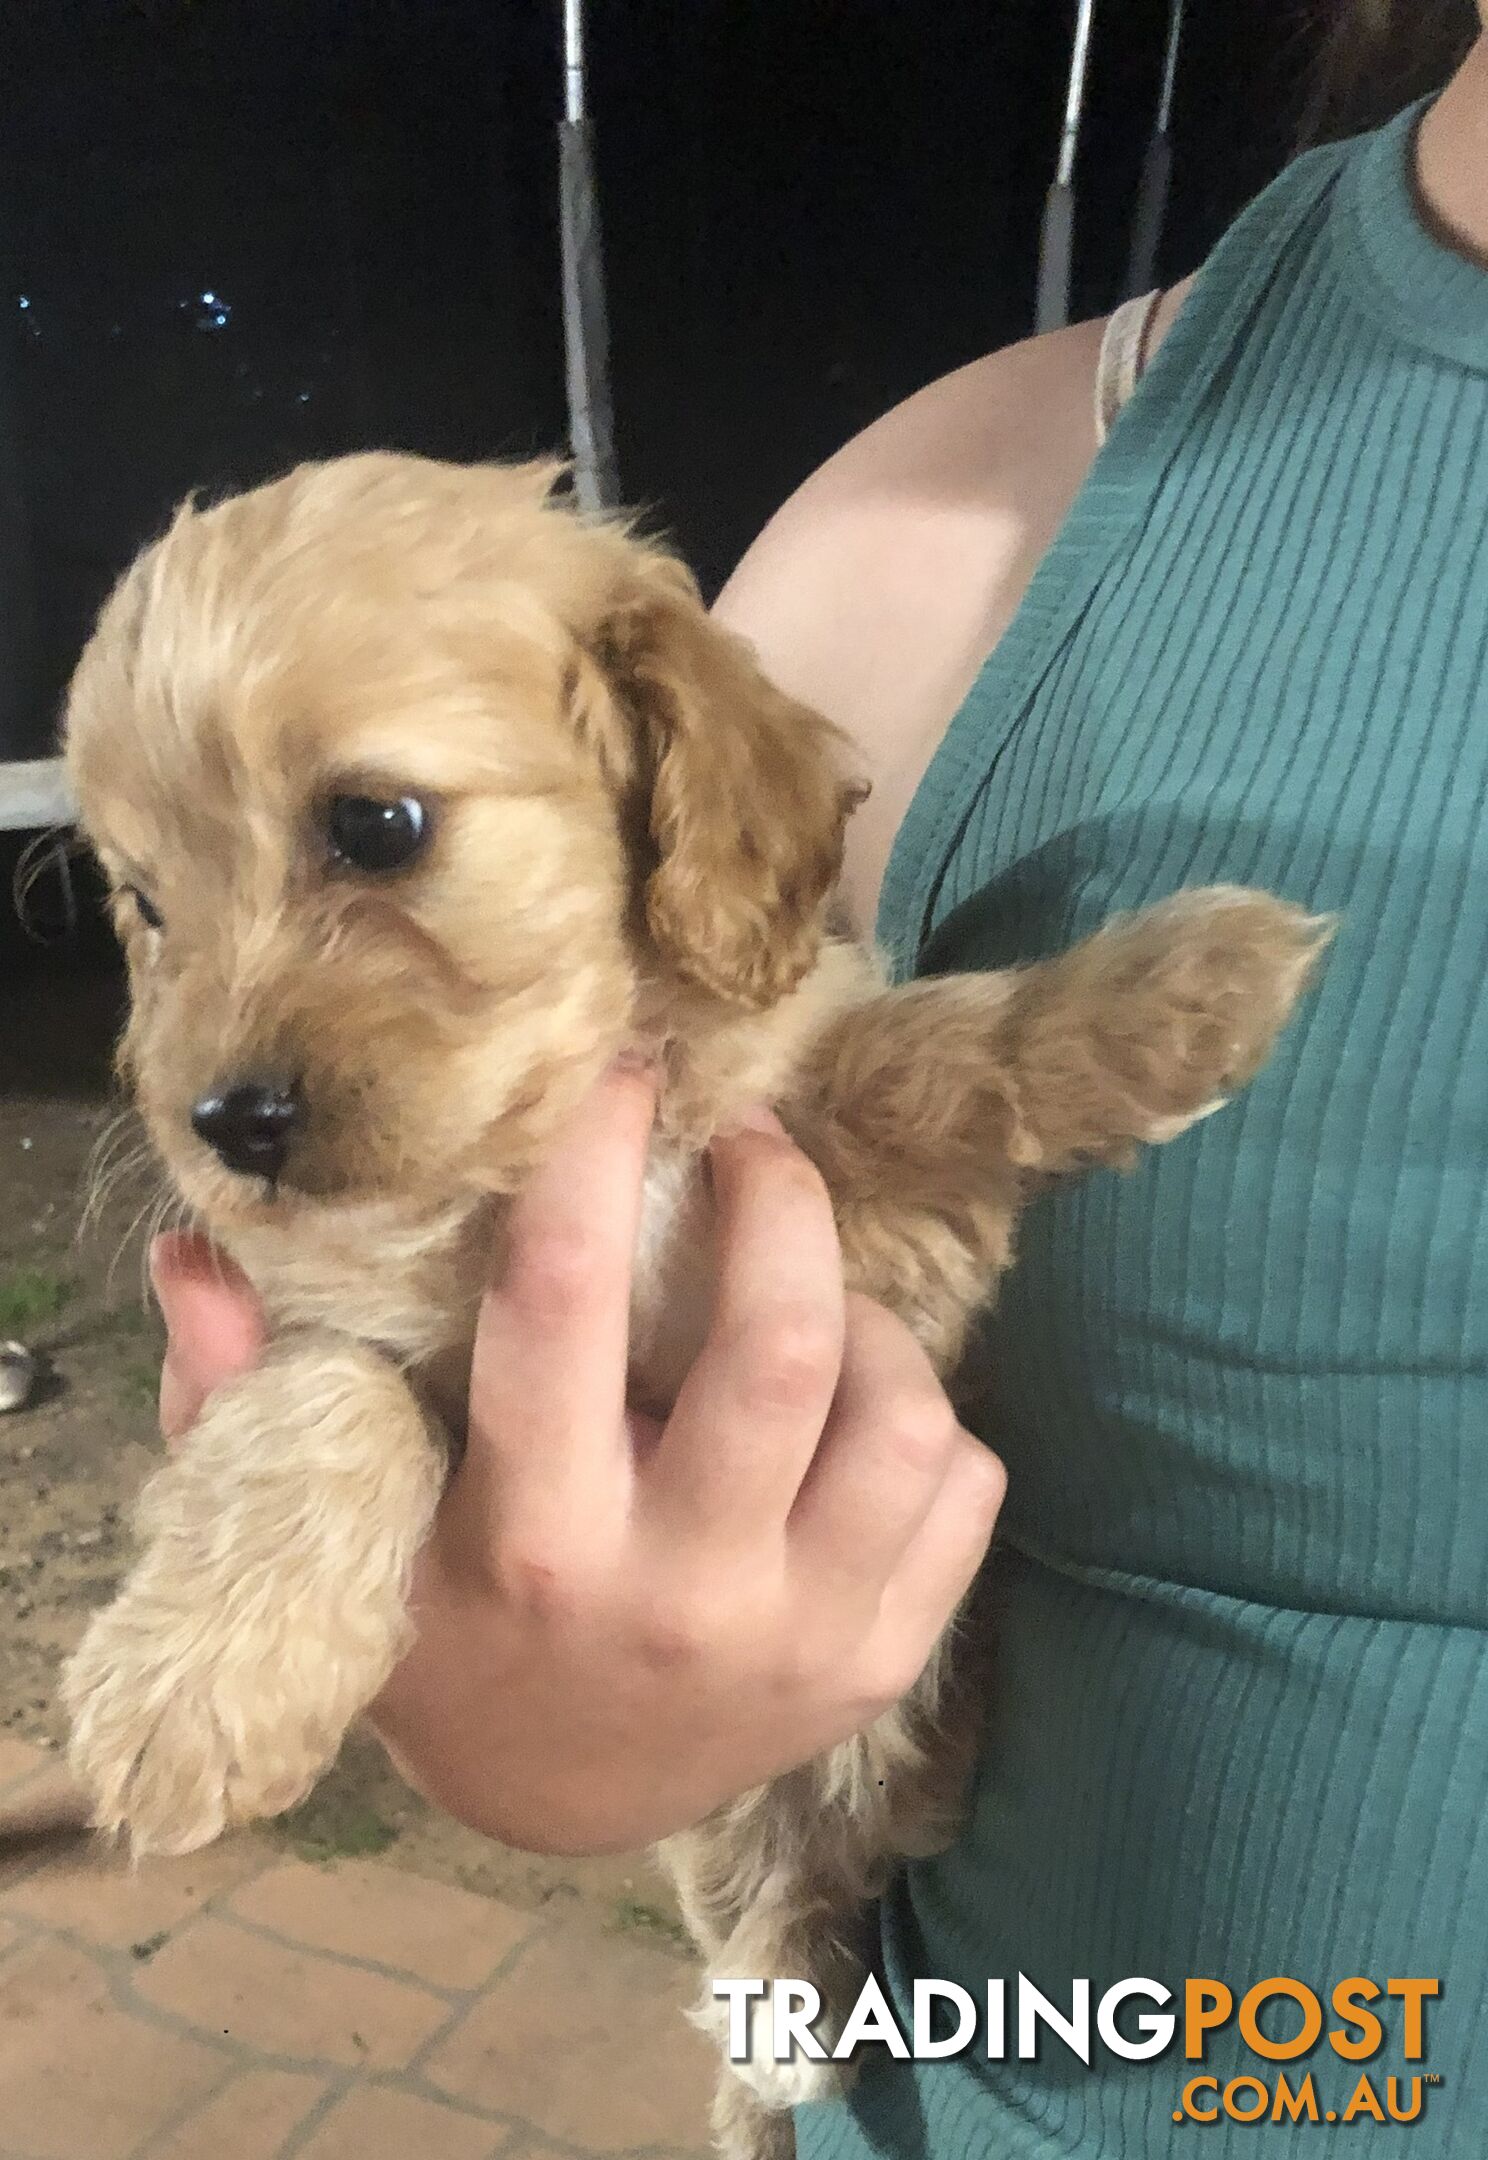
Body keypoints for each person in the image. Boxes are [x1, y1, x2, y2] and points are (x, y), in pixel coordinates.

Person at [152, 6, 1488, 2152]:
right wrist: (548, 1743)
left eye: (376, 835)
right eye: (138, 902)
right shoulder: (932, 547)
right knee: (771, 1994)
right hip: (975, 2082)